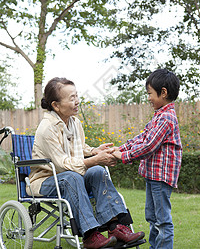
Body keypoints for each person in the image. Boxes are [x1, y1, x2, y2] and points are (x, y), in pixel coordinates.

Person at [26, 77, 145, 249]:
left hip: (70, 177)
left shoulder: (75, 123)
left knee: (97, 171)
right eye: (71, 98)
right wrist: (94, 159)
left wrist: (95, 151)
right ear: (56, 105)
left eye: (76, 96)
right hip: (45, 181)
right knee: (72, 177)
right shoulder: (47, 128)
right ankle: (90, 236)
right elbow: (61, 164)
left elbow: (80, 148)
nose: (77, 101)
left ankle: (114, 227)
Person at [112, 69, 182, 249]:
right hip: (153, 176)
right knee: (152, 216)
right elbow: (142, 137)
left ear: (163, 92)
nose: (149, 98)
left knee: (162, 220)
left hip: (161, 176)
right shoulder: (159, 116)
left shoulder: (166, 118)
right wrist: (119, 148)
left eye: (150, 93)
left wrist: (124, 156)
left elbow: (149, 145)